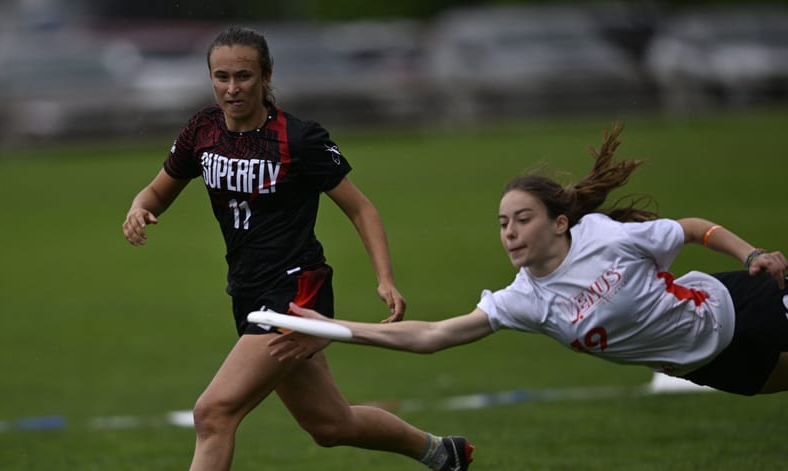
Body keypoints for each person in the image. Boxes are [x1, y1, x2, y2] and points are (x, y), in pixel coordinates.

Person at [114, 26, 474, 471]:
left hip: (296, 294)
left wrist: (385, 279)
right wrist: (139, 208)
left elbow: (362, 209)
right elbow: (158, 189)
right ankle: (442, 453)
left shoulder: (298, 139)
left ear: (266, 77)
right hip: (249, 295)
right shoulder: (202, 131)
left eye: (244, 76)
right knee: (330, 426)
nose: (232, 88)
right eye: (221, 76)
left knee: (214, 412)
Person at [269, 122, 788, 397]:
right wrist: (335, 328)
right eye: (502, 224)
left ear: (559, 223)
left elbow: (696, 230)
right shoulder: (526, 301)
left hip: (743, 305)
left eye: (522, 219)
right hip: (711, 366)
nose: (510, 232)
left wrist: (753, 254)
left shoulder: (603, 236)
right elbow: (432, 336)